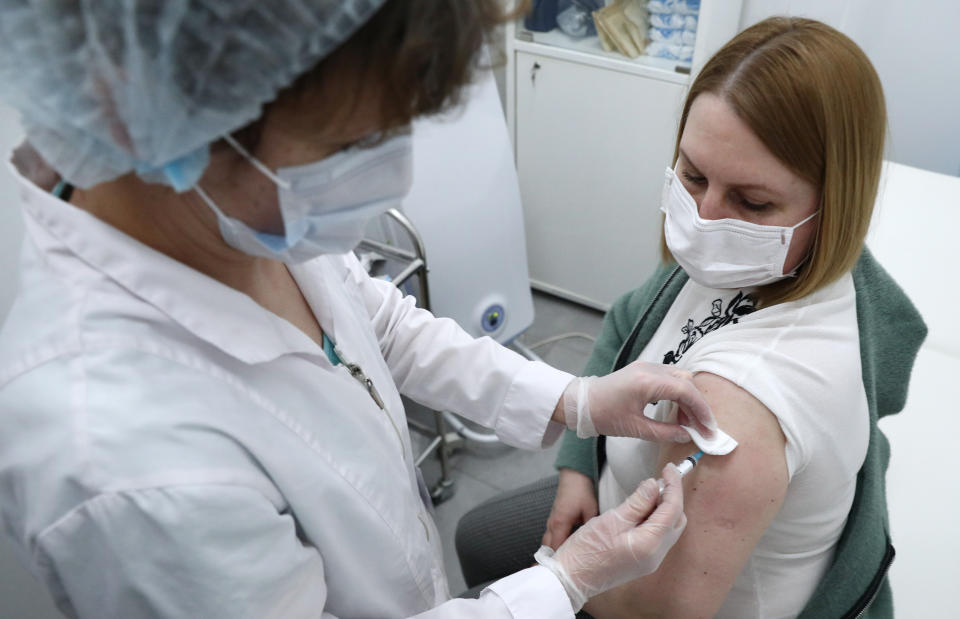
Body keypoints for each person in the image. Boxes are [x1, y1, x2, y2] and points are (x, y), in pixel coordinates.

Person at [0, 2, 719, 618]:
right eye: (347, 146)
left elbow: (376, 321)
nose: (392, 176)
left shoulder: (236, 219)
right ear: (159, 119)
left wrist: (577, 399)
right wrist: (565, 583)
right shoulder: (123, 462)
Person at [455, 16, 926, 619]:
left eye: (751, 202)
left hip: (653, 591)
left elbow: (649, 611)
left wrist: (559, 578)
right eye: (692, 174)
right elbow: (627, 322)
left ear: (833, 208)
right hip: (612, 492)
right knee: (475, 536)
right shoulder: (743, 263)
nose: (705, 219)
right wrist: (577, 464)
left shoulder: (744, 406)